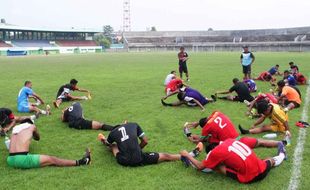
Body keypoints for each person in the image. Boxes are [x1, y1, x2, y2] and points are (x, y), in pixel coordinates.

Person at [180, 138, 287, 184]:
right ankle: (282, 154)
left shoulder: (215, 153)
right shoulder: (229, 140)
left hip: (250, 177)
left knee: (215, 165)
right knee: (269, 160)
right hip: (262, 167)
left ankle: (280, 155)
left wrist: (186, 155)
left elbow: (200, 166)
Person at [183, 111, 285, 153]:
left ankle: (190, 137)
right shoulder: (217, 113)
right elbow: (209, 118)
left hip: (229, 144)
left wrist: (192, 137)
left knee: (205, 141)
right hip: (239, 138)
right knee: (259, 142)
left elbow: (205, 138)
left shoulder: (207, 128)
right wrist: (198, 122)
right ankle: (280, 143)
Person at [5, 119, 91, 169]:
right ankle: (81, 162)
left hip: (10, 160)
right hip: (22, 160)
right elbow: (37, 138)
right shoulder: (32, 127)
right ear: (31, 123)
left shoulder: (15, 128)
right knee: (52, 160)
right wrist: (33, 134)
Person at [98, 122, 181, 167]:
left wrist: (103, 140)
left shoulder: (112, 133)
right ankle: (186, 156)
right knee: (165, 156)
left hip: (123, 161)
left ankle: (121, 152)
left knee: (113, 146)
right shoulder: (134, 124)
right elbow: (145, 141)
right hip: (139, 158)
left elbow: (107, 144)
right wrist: (137, 148)